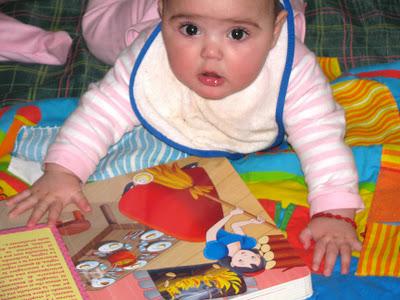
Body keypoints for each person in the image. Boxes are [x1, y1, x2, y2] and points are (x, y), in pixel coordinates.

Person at [7, 0, 364, 277]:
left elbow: (322, 135)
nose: (211, 52)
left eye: (237, 34)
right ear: (164, 18)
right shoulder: (148, 53)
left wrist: (334, 209)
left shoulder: (293, 69)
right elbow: (101, 112)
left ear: (273, 34)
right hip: (130, 17)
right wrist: (63, 171)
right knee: (99, 35)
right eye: (190, 29)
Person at [203, 207, 266, 276]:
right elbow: (235, 226)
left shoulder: (217, 252)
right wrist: (251, 221)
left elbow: (210, 232)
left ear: (232, 264)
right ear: (257, 255)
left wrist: (231, 214)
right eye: (253, 257)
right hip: (217, 220)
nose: (244, 256)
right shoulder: (245, 244)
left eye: (241, 261)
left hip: (202, 227)